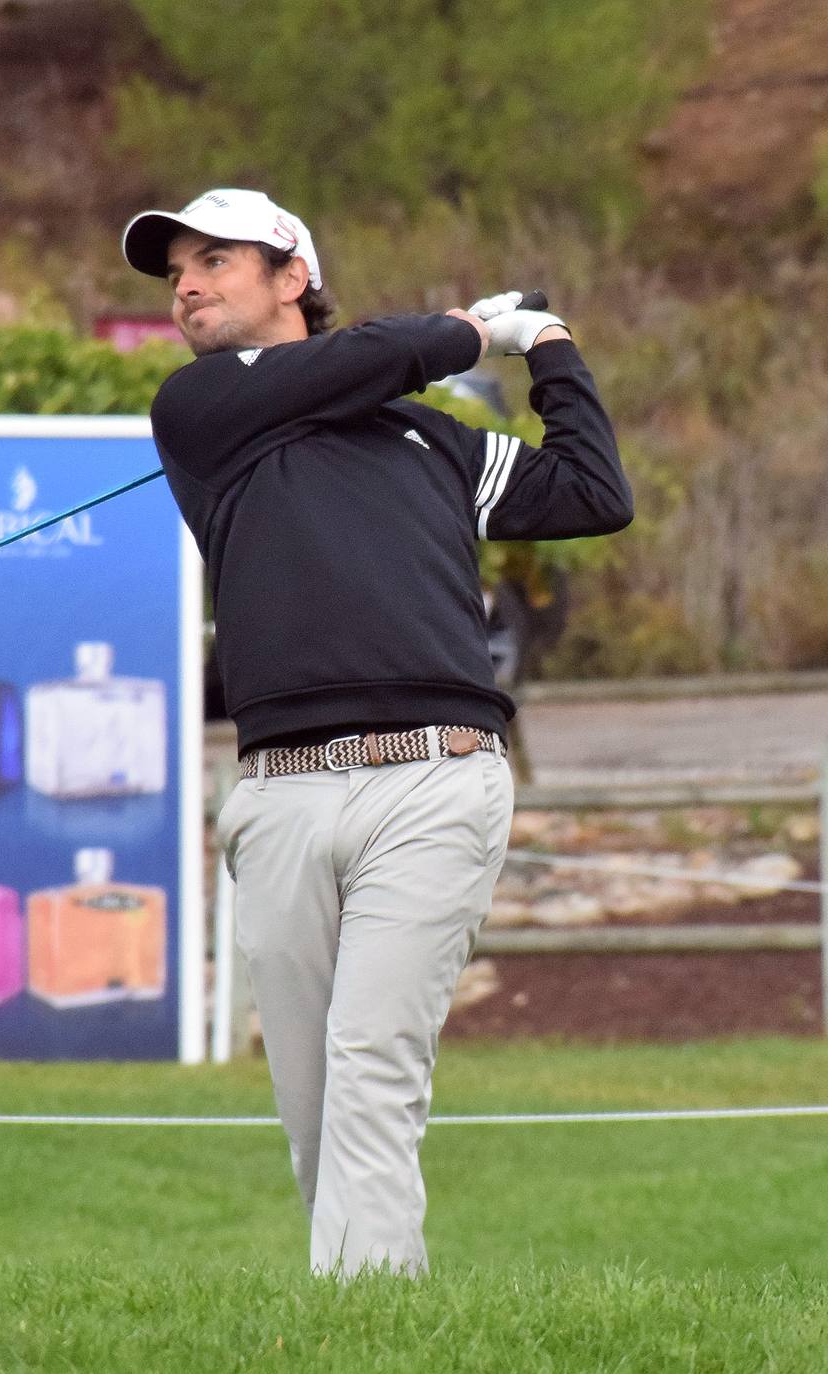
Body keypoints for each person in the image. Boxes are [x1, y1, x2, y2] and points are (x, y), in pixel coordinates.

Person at [120, 189, 632, 1274]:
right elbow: (365, 359)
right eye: (175, 273)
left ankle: (365, 1324)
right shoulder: (201, 414)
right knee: (314, 1103)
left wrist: (549, 350)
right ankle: (366, 1307)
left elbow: (592, 492)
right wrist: (473, 328)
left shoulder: (433, 447)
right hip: (281, 795)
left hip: (434, 783)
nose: (187, 285)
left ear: (290, 276)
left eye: (215, 260)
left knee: (370, 1065)